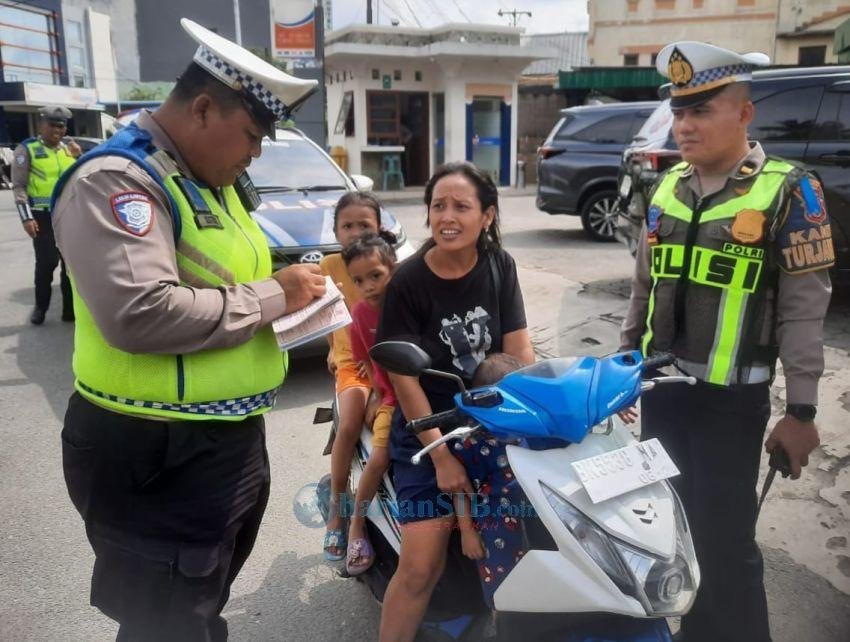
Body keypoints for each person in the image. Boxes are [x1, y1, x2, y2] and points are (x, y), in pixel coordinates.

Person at [52, 19, 325, 641]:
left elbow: (224, 270)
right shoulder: (119, 181)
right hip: (156, 450)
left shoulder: (208, 177)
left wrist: (294, 285)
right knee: (168, 622)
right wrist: (273, 295)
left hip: (221, 440)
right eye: (253, 137)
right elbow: (140, 311)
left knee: (196, 608)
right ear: (204, 108)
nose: (256, 154)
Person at [620, 41, 831, 642]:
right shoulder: (667, 187)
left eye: (701, 111)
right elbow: (644, 286)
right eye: (679, 112)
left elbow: (803, 313)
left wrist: (802, 412)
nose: (684, 125)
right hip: (663, 394)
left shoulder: (790, 191)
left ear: (744, 113)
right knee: (674, 532)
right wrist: (624, 366)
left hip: (730, 404)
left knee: (728, 545)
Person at [375, 161, 534, 642]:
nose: (447, 216)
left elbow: (519, 352)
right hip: (428, 434)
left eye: (461, 206)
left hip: (491, 424)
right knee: (421, 566)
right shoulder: (407, 282)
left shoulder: (499, 265)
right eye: (438, 205)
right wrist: (440, 454)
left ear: (486, 215)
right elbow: (404, 380)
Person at [319, 192, 383, 561]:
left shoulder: (387, 264)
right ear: (336, 230)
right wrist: (332, 347)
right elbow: (325, 311)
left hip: (386, 363)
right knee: (352, 419)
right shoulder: (327, 266)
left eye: (365, 225)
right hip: (352, 364)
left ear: (380, 229)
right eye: (348, 225)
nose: (356, 232)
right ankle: (336, 510)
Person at [341, 230, 399, 574]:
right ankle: (356, 525)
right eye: (358, 280)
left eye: (375, 276)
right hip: (392, 398)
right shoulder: (361, 315)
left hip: (425, 396)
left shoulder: (409, 300)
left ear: (393, 268)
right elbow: (368, 361)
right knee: (379, 458)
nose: (368, 287)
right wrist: (378, 393)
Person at [12, 105, 81, 325]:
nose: (57, 130)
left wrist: (79, 157)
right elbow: (19, 186)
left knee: (70, 267)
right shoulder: (27, 149)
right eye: (52, 125)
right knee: (46, 264)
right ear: (41, 124)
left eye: (61, 126)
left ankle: (69, 312)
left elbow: (81, 178)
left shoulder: (68, 150)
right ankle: (40, 308)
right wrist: (26, 217)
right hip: (42, 218)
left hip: (69, 217)